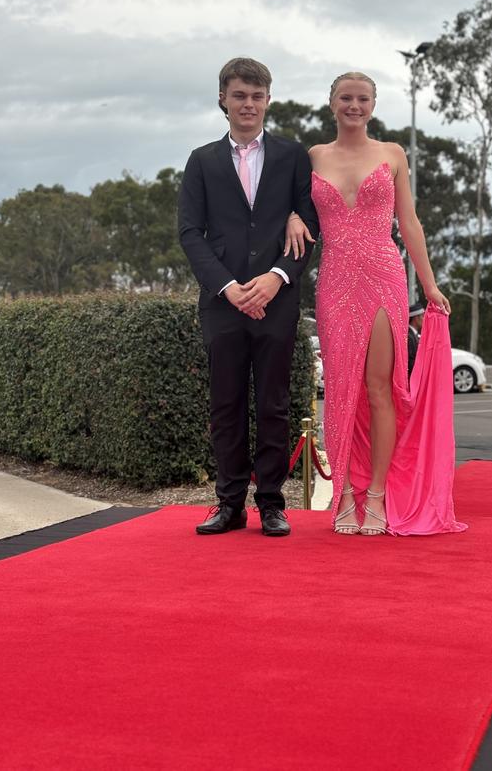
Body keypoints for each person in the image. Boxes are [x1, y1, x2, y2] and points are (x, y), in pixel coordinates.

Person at [307, 72, 467, 537]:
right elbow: (293, 208)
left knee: (379, 388)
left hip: (383, 276)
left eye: (362, 99)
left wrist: (430, 285)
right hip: (334, 278)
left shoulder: (392, 153)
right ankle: (344, 496)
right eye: (345, 98)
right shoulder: (314, 156)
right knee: (339, 390)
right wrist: (297, 218)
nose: (353, 106)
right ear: (332, 103)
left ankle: (375, 493)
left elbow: (409, 222)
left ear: (373, 105)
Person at [178, 57, 319, 537]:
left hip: (277, 300)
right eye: (240, 95)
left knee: (274, 404)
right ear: (223, 98)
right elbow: (190, 232)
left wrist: (278, 276)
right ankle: (229, 503)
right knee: (226, 404)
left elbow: (311, 223)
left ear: (268, 101)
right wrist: (228, 287)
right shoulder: (201, 161)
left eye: (257, 96)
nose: (248, 104)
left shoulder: (293, 156)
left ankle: (272, 504)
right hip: (223, 303)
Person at [407, 301, 425, 378]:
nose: (424, 319)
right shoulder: (409, 337)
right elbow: (410, 362)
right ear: (416, 318)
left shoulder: (414, 335)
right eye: (422, 316)